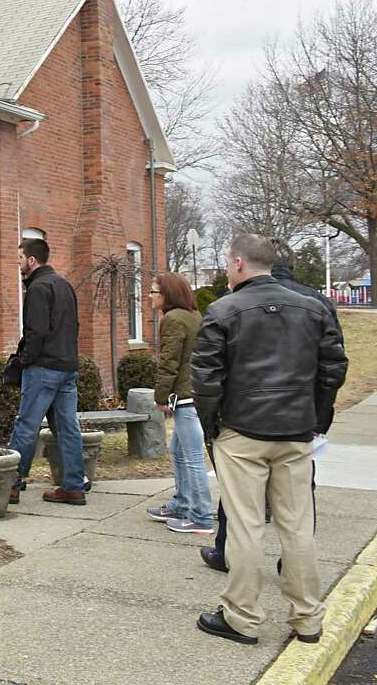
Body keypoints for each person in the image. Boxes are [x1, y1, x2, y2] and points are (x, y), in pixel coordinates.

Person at [192, 234, 347, 645]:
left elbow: (206, 379)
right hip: (295, 431)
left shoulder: (222, 310)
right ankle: (308, 618)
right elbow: (333, 368)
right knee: (298, 526)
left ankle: (241, 617)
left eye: (227, 262)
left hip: (242, 431)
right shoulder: (313, 308)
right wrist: (316, 420)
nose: (227, 269)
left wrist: (214, 427)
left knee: (245, 526)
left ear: (240, 263)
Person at [7, 238, 85, 505]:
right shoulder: (64, 285)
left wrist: (24, 360)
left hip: (43, 367)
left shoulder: (38, 288)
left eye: (19, 259)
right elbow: (74, 325)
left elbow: (35, 331)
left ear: (32, 260)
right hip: (67, 367)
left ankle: (10, 484)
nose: (17, 264)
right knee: (67, 428)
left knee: (26, 425)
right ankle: (74, 485)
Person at [143, 273, 214, 534]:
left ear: (167, 295)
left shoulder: (172, 319)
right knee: (180, 452)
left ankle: (201, 516)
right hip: (194, 393)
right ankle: (182, 504)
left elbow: (169, 362)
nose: (149, 296)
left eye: (153, 291)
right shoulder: (194, 316)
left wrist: (160, 397)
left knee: (192, 457)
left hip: (185, 396)